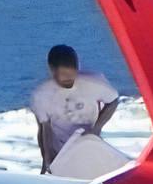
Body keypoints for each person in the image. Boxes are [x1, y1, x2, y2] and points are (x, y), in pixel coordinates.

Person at [31, 44, 120, 174]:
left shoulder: (93, 83)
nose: (68, 79)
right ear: (52, 70)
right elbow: (44, 129)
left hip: (89, 144)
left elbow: (113, 100)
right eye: (63, 74)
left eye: (72, 73)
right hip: (61, 151)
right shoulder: (42, 94)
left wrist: (96, 129)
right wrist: (47, 160)